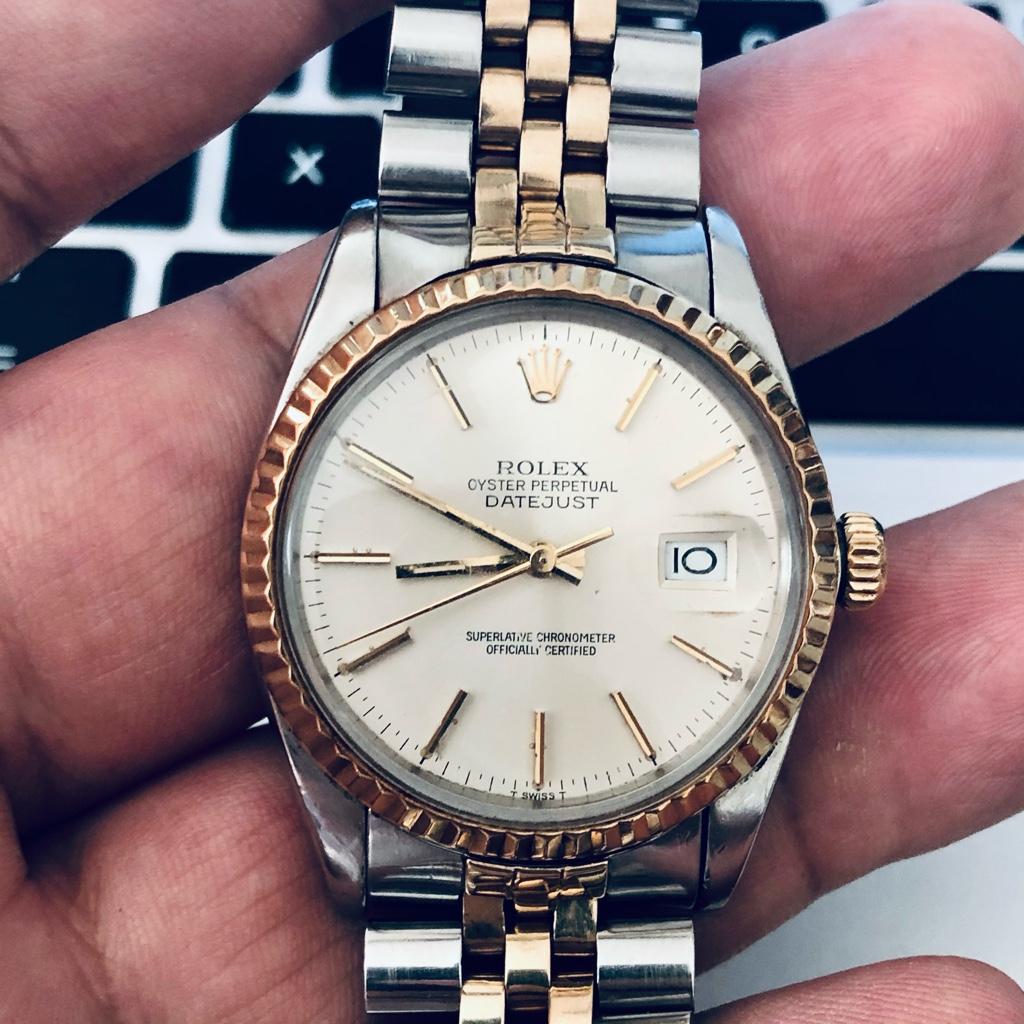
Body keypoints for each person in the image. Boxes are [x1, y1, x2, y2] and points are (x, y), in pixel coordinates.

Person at [1, 1, 1023, 1020]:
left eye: (545, 556)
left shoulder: (444, 268)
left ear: (832, 562)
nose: (544, 558)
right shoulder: (428, 270)